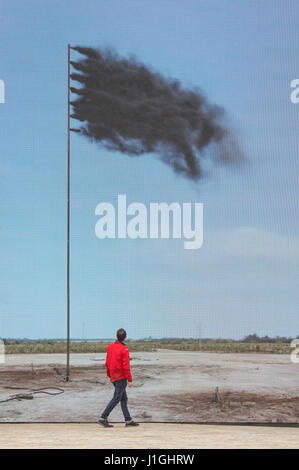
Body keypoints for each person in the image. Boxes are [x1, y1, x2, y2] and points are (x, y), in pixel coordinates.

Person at [98, 328, 139, 428]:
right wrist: (130, 380)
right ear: (125, 337)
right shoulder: (124, 349)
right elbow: (126, 366)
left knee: (123, 399)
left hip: (114, 377)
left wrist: (110, 376)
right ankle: (103, 417)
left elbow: (107, 363)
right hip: (121, 378)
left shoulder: (110, 347)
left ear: (117, 336)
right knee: (116, 398)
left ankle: (128, 420)